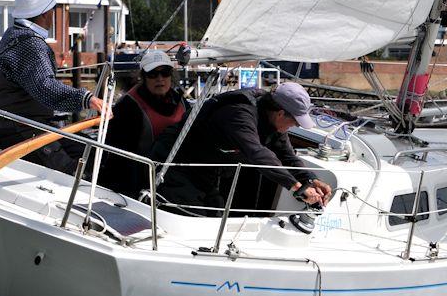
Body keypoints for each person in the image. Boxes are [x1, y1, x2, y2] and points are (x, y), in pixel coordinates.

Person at [155, 82, 332, 214]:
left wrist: (310, 180)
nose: (293, 127)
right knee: (188, 215)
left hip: (206, 171)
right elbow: (257, 153)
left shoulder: (273, 121)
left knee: (215, 212)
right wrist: (296, 187)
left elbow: (288, 156)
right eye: (294, 122)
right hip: (176, 166)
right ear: (280, 113)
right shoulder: (239, 114)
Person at [0, 0, 103, 173]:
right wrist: (87, 99)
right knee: (75, 168)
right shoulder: (31, 45)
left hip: (17, 126)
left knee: (91, 153)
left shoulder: (12, 35)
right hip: (20, 129)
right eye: (53, 9)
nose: (53, 14)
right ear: (44, 13)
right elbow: (45, 87)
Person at [104, 50, 188, 198]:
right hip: (140, 180)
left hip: (176, 175)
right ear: (143, 77)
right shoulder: (128, 107)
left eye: (165, 73)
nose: (160, 79)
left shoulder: (181, 101)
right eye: (153, 74)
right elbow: (119, 156)